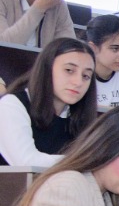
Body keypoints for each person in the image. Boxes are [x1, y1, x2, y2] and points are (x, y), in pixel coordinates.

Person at [0, 37, 96, 166]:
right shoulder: (11, 105)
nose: (78, 82)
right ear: (47, 68)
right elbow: (26, 162)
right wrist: (85, 162)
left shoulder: (79, 117)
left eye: (86, 76)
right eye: (69, 70)